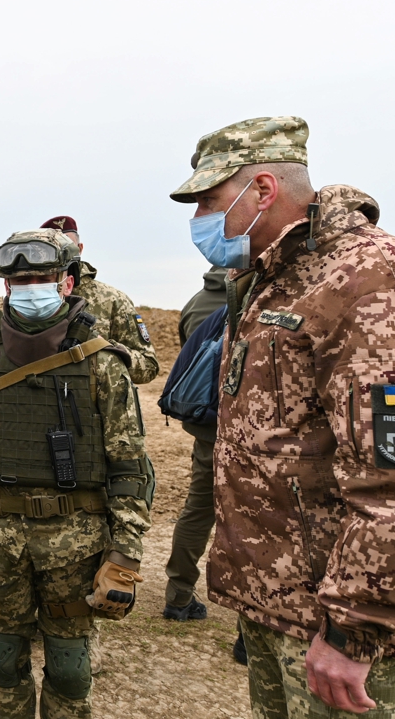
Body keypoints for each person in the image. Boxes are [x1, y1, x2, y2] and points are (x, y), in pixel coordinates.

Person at [172, 115, 395, 717]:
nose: (198, 223)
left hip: (335, 623)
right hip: (277, 606)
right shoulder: (275, 278)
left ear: (263, 190)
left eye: (210, 202)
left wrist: (356, 630)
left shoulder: (373, 278)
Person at [0, 229, 153, 718]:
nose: (29, 285)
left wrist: (126, 552)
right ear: (6, 285)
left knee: (70, 665)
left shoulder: (102, 361)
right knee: (0, 654)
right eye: (19, 278)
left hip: (75, 541)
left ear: (67, 283)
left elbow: (128, 465)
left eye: (42, 277)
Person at [160, 266, 226, 623]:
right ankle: (253, 625)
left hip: (208, 428)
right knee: (258, 521)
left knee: (198, 510)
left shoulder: (194, 304)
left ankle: (179, 595)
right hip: (261, 432)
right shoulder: (267, 296)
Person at [40, 216, 159, 385]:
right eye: (53, 248)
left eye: (67, 246)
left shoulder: (112, 300)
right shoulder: (23, 298)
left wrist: (100, 347)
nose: (61, 254)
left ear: (80, 249)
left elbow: (148, 367)